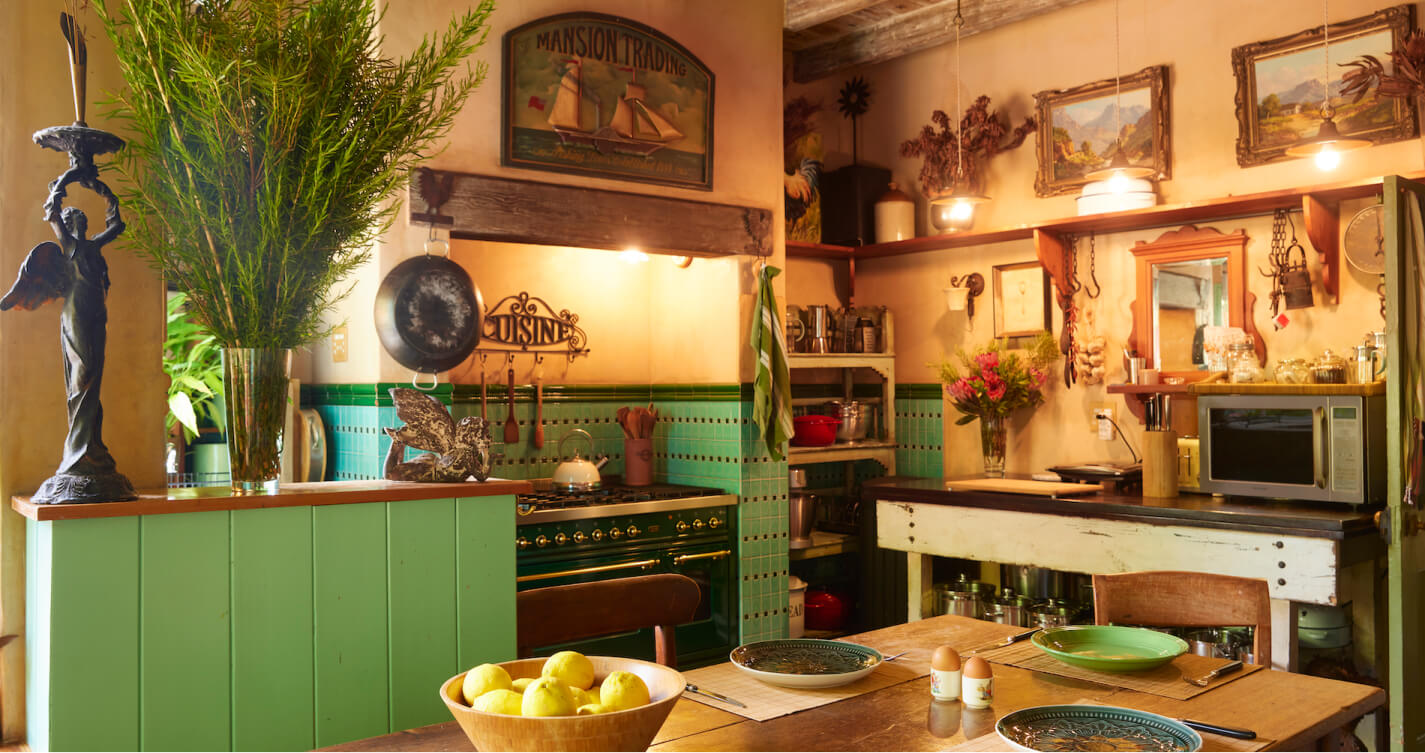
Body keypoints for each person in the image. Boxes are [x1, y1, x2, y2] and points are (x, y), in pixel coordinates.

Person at [1, 149, 135, 503]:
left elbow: (117, 227)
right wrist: (66, 180)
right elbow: (52, 213)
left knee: (95, 380)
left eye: (81, 221)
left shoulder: (92, 247)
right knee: (84, 375)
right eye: (75, 220)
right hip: (74, 313)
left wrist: (107, 194)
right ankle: (76, 456)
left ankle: (93, 451)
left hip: (96, 314)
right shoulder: (68, 245)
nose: (79, 225)